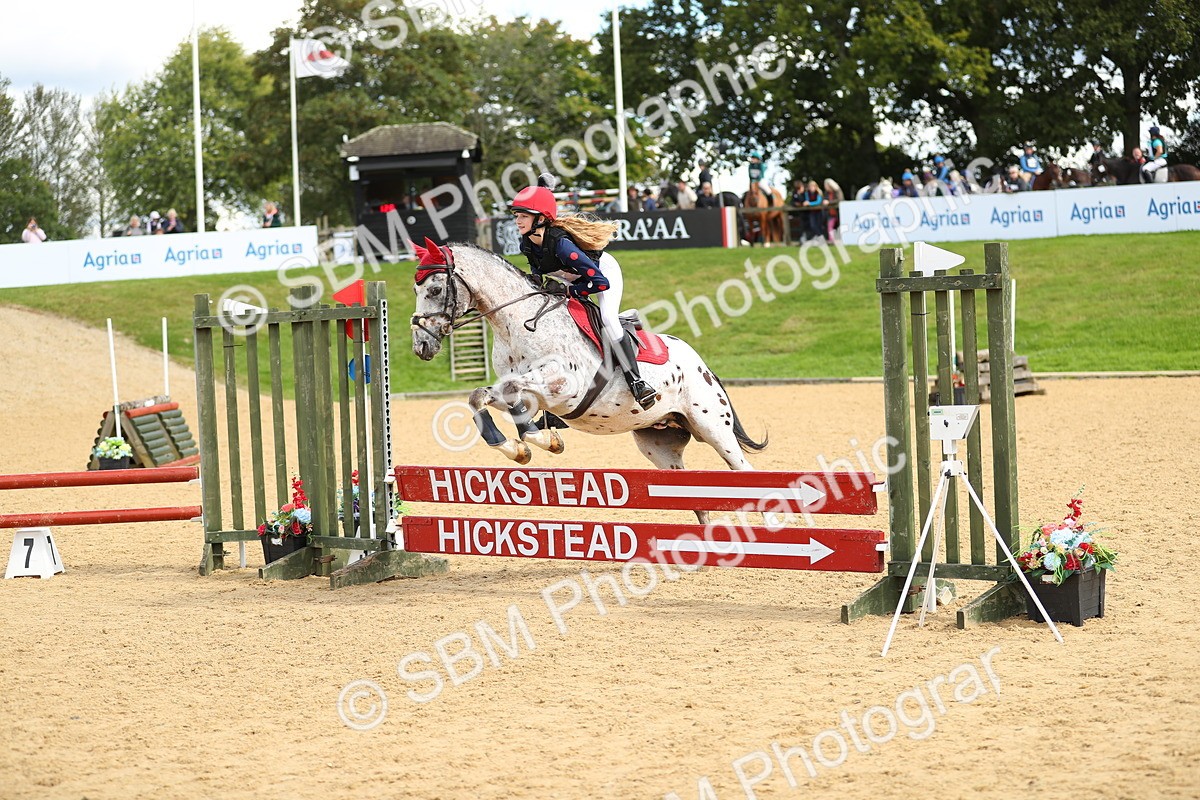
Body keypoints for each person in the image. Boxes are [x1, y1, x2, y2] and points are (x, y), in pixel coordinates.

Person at [510, 175, 657, 410]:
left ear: (540, 219)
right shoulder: (526, 244)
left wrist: (570, 291)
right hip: (574, 279)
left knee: (608, 318)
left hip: (602, 273)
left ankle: (637, 382)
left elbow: (600, 283)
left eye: (523, 216)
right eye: (516, 215)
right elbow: (538, 276)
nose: (517, 220)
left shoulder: (562, 246)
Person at [822, 178, 844, 243]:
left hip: (838, 212)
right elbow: (824, 199)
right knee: (830, 226)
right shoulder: (827, 193)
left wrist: (829, 202)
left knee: (840, 227)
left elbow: (839, 200)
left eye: (826, 185)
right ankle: (831, 241)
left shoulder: (837, 191)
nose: (825, 187)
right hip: (830, 213)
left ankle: (840, 240)